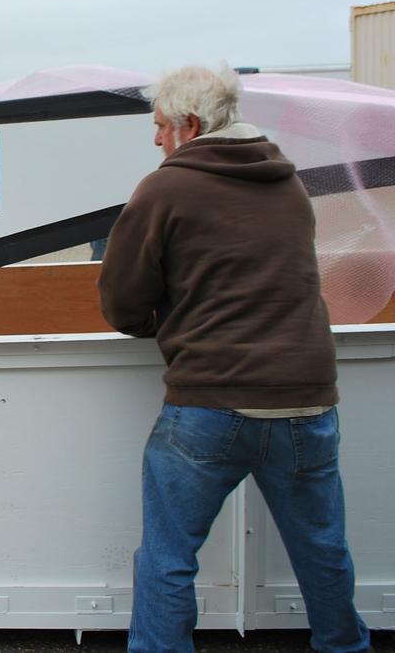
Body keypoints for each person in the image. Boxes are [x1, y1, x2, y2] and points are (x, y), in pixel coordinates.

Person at [98, 65, 369, 652]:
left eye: (160, 125)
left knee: (169, 555)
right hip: (306, 400)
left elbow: (122, 301)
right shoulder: (288, 182)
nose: (156, 138)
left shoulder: (165, 188)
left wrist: (163, 325)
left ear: (190, 125)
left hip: (211, 401)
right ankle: (346, 646)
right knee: (321, 548)